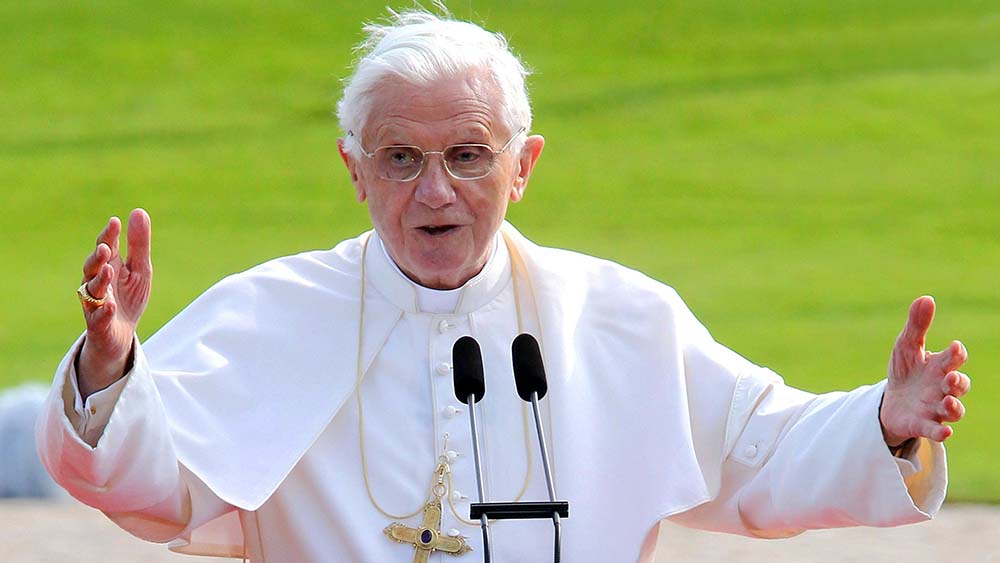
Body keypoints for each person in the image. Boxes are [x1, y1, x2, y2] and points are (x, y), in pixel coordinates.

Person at [37, 8, 971, 562]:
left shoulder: (620, 319)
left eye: (468, 155)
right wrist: (112, 369)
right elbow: (146, 485)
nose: (435, 190)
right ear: (353, 170)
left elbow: (762, 449)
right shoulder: (266, 316)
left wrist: (884, 420)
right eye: (400, 157)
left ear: (522, 167)